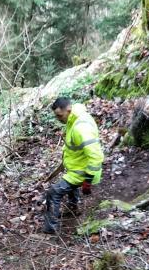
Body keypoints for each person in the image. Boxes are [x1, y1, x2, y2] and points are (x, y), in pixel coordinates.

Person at [43, 97, 104, 234]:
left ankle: (50, 229)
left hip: (84, 171)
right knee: (69, 184)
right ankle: (73, 208)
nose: (58, 119)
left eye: (60, 115)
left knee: (53, 193)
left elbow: (96, 156)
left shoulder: (80, 127)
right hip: (77, 167)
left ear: (69, 110)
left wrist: (87, 181)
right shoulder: (75, 118)